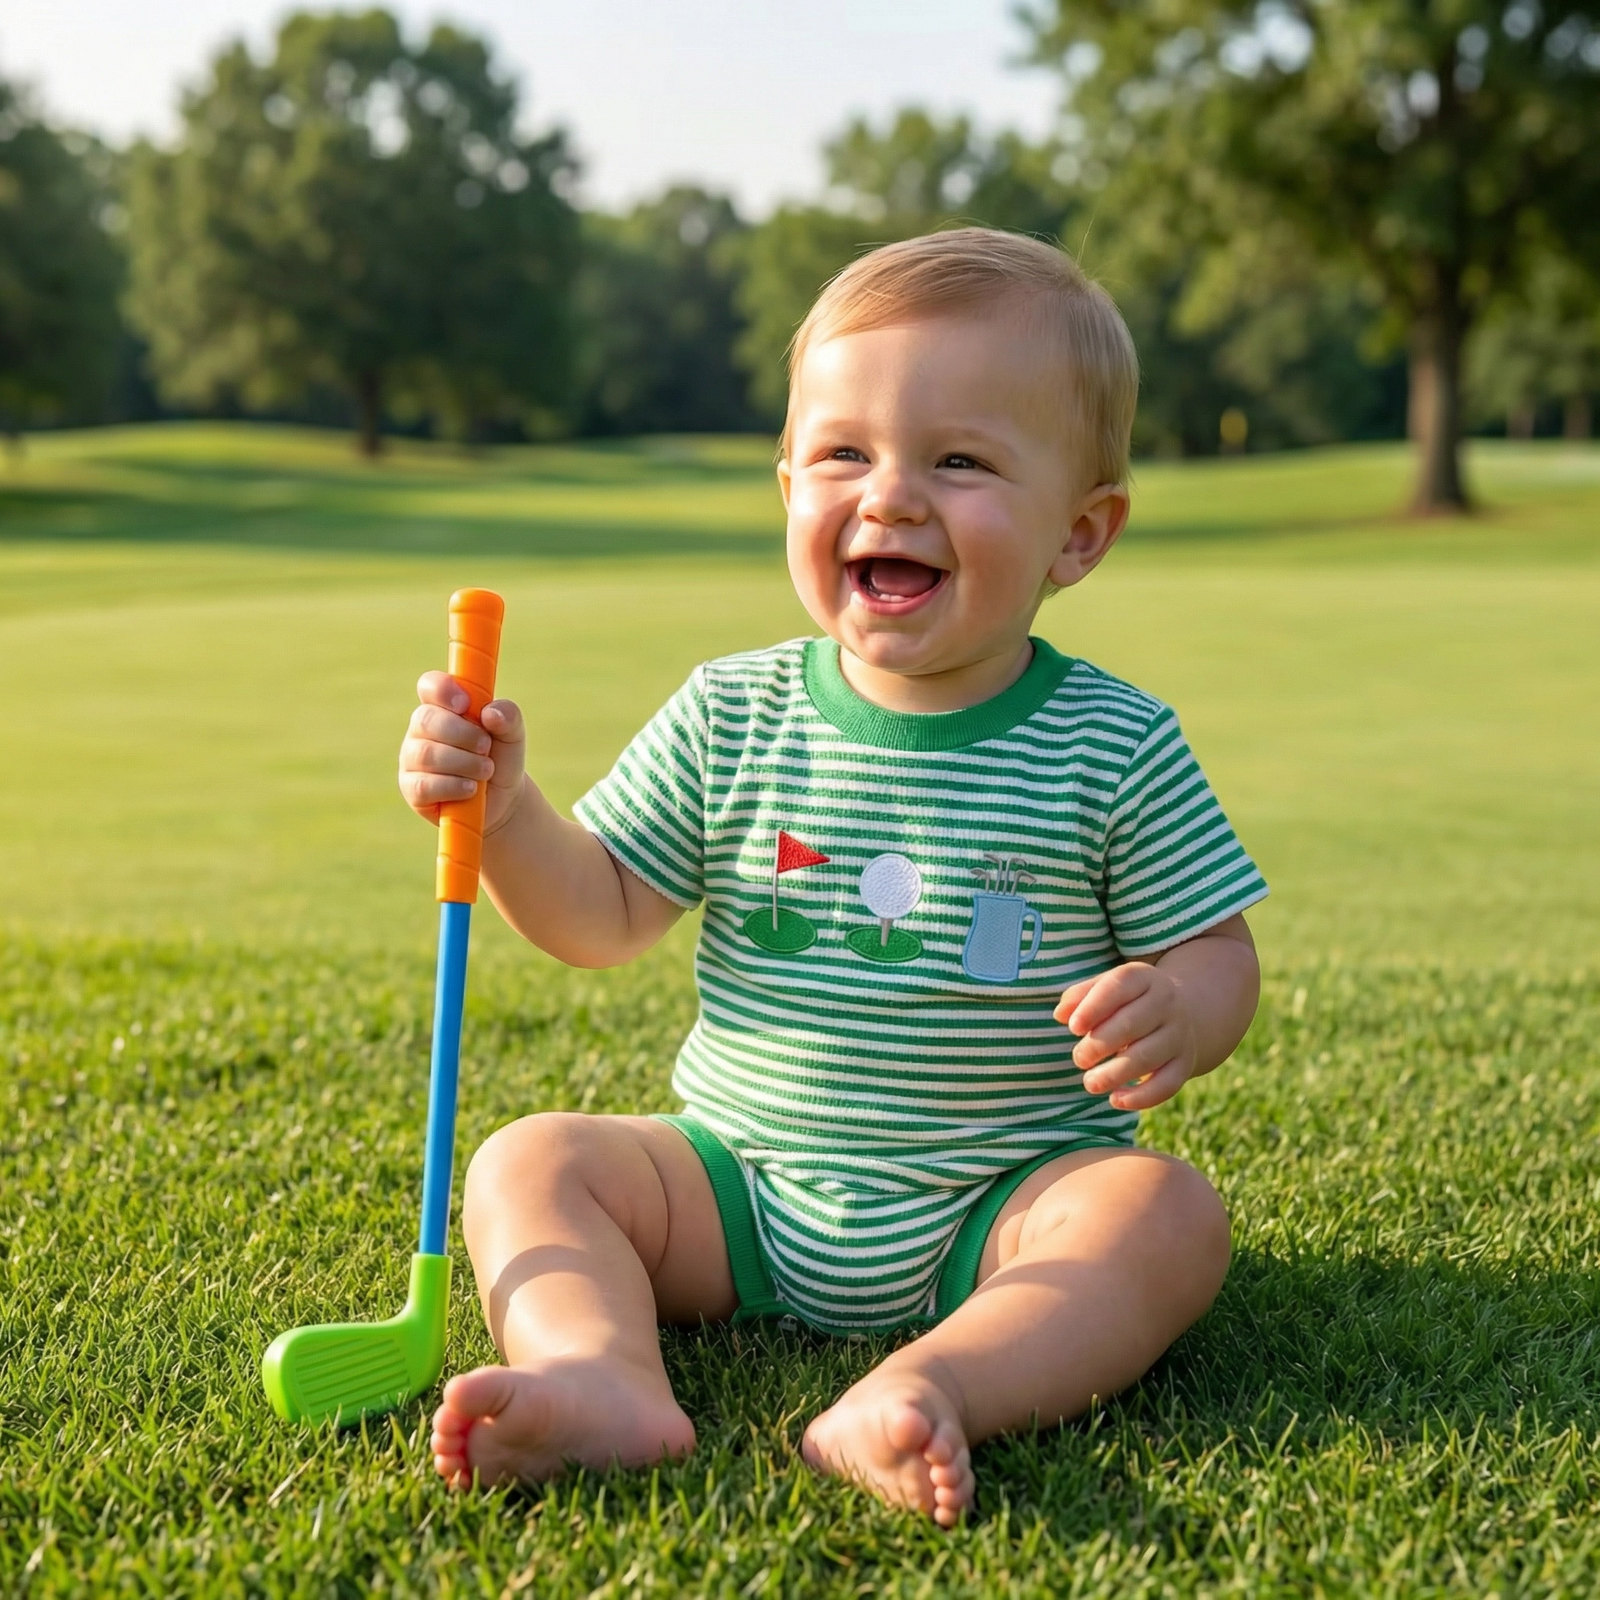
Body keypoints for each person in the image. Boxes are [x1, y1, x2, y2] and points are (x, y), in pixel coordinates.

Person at [398, 228, 1266, 1525]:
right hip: (736, 1189)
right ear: (789, 482)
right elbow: (596, 915)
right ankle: (600, 1375)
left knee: (1165, 1213)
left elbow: (1217, 950)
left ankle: (928, 1385)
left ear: (1080, 535)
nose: (892, 495)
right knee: (533, 1163)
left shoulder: (1112, 741)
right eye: (844, 453)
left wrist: (1183, 1008)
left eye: (960, 460)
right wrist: (508, 809)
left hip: (1002, 1202)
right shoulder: (729, 714)